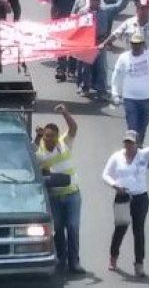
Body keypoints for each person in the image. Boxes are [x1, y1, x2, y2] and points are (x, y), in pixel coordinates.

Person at [101, 128, 149, 278]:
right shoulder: (116, 157)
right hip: (123, 197)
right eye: (126, 142)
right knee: (120, 228)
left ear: (137, 144)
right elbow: (105, 174)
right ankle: (113, 257)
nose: (128, 145)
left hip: (140, 198)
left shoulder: (143, 155)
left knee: (138, 231)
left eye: (131, 143)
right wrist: (115, 185)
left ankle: (139, 264)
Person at [33, 105, 85, 275]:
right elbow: (30, 156)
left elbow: (73, 127)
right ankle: (61, 259)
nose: (49, 139)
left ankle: (74, 262)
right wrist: (37, 137)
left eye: (52, 136)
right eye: (46, 136)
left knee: (73, 227)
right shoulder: (40, 151)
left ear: (57, 136)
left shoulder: (64, 143)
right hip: (54, 197)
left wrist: (64, 112)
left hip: (72, 194)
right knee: (58, 228)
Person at [110, 31, 149, 145]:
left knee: (143, 126)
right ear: (131, 44)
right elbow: (116, 74)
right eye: (134, 44)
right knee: (132, 126)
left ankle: (139, 147)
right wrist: (114, 93)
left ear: (143, 44)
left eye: (139, 44)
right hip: (130, 98)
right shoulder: (124, 57)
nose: (136, 46)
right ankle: (132, 148)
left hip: (145, 97)